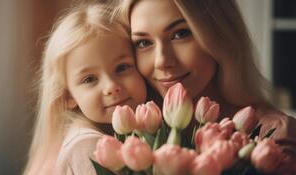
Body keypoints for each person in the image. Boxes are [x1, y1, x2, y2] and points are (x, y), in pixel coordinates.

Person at [0, 3, 147, 175]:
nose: (111, 86)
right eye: (90, 79)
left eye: (122, 67)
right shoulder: (87, 145)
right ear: (68, 96)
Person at [117, 0, 296, 155]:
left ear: (221, 34)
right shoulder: (135, 125)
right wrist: (87, 137)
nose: (161, 61)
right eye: (144, 43)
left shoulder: (275, 138)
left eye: (180, 34)